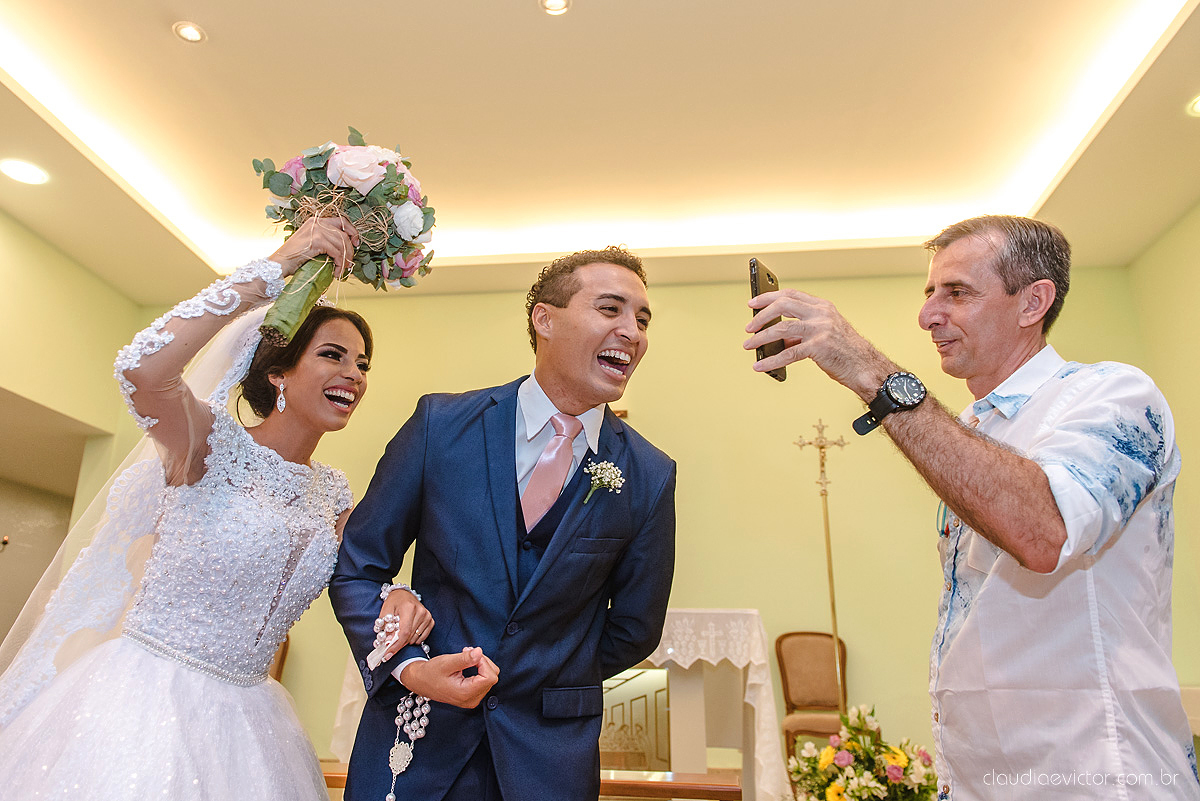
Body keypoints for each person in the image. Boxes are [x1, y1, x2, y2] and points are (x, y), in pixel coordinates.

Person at [0, 217, 463, 799]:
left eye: (363, 363)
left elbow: (362, 576)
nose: (354, 374)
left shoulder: (333, 492)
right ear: (278, 373)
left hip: (252, 723)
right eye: (334, 355)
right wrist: (281, 263)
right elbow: (141, 370)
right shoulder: (207, 444)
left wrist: (397, 594)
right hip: (142, 701)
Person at [744, 215, 1199, 800]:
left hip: (1094, 772)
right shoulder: (966, 430)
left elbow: (1045, 531)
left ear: (1033, 302)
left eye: (957, 292)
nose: (928, 314)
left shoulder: (1111, 395)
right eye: (930, 292)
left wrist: (872, 373)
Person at [330, 246, 677, 801]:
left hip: (549, 760)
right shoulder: (440, 426)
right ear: (545, 319)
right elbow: (358, 567)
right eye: (610, 309)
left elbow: (635, 628)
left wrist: (545, 673)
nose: (632, 332)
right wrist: (412, 666)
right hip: (418, 738)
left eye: (642, 319)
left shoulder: (650, 474)